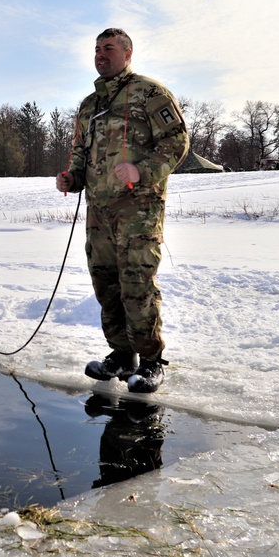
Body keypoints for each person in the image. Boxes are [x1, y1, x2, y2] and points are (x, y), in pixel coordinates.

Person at [57, 28, 189, 393]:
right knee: (106, 282)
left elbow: (177, 140)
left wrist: (141, 170)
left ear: (127, 54)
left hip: (138, 208)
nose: (101, 54)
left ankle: (150, 362)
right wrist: (73, 178)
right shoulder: (89, 105)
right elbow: (81, 152)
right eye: (97, 49)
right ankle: (121, 355)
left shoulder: (149, 93)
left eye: (109, 48)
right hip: (99, 210)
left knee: (137, 282)